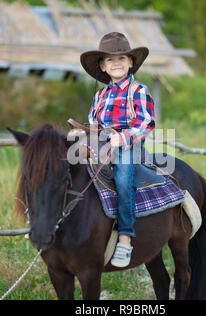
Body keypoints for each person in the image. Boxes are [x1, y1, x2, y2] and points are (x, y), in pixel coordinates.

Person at [80, 32, 155, 267]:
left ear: (131, 62)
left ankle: (124, 238)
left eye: (122, 58)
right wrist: (82, 135)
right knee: (71, 167)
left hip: (129, 144)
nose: (116, 64)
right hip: (101, 143)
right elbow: (93, 123)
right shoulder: (99, 95)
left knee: (123, 178)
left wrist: (122, 138)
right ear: (102, 66)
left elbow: (146, 123)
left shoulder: (139, 90)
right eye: (110, 60)